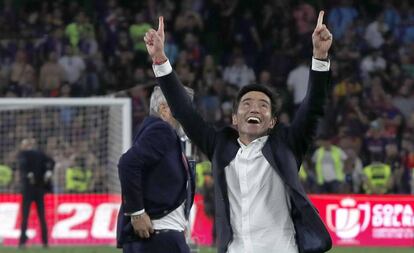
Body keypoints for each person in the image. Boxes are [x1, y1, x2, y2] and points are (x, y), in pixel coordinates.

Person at [144, 11, 333, 253]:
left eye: (263, 105)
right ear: (234, 118)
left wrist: (319, 57)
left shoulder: (287, 145)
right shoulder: (220, 145)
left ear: (273, 121)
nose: (254, 108)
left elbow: (313, 106)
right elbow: (183, 111)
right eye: (247, 103)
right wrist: (160, 60)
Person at [116, 86, 195, 253]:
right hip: (157, 237)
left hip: (160, 235)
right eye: (184, 107)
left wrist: (181, 222)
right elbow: (128, 163)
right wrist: (136, 213)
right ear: (164, 109)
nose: (189, 115)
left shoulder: (158, 132)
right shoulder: (162, 130)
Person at [16, 138, 54, 248]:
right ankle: (45, 242)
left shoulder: (23, 154)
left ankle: (22, 242)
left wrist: (28, 174)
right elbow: (51, 162)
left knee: (25, 216)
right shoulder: (40, 154)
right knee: (42, 216)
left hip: (28, 189)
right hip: (40, 189)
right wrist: (48, 172)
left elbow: (23, 167)